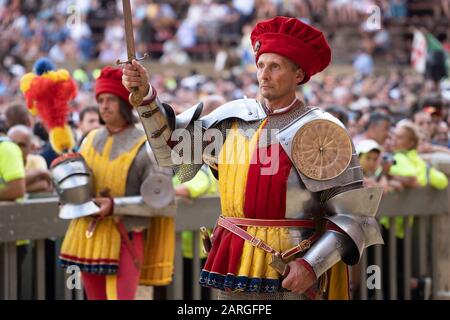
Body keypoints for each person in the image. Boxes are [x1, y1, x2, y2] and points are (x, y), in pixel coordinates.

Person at [123, 16, 383, 300]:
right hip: (233, 260)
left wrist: (311, 265)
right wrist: (146, 97)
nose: (264, 74)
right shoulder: (233, 117)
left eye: (275, 66)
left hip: (290, 267)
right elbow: (171, 151)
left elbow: (353, 215)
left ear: (298, 75)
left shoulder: (322, 129)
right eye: (260, 65)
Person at [58, 67, 175, 300]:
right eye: (100, 100)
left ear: (123, 102)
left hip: (127, 235)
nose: (104, 105)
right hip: (90, 235)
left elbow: (163, 200)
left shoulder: (147, 144)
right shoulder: (89, 139)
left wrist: (115, 206)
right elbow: (78, 188)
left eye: (110, 99)